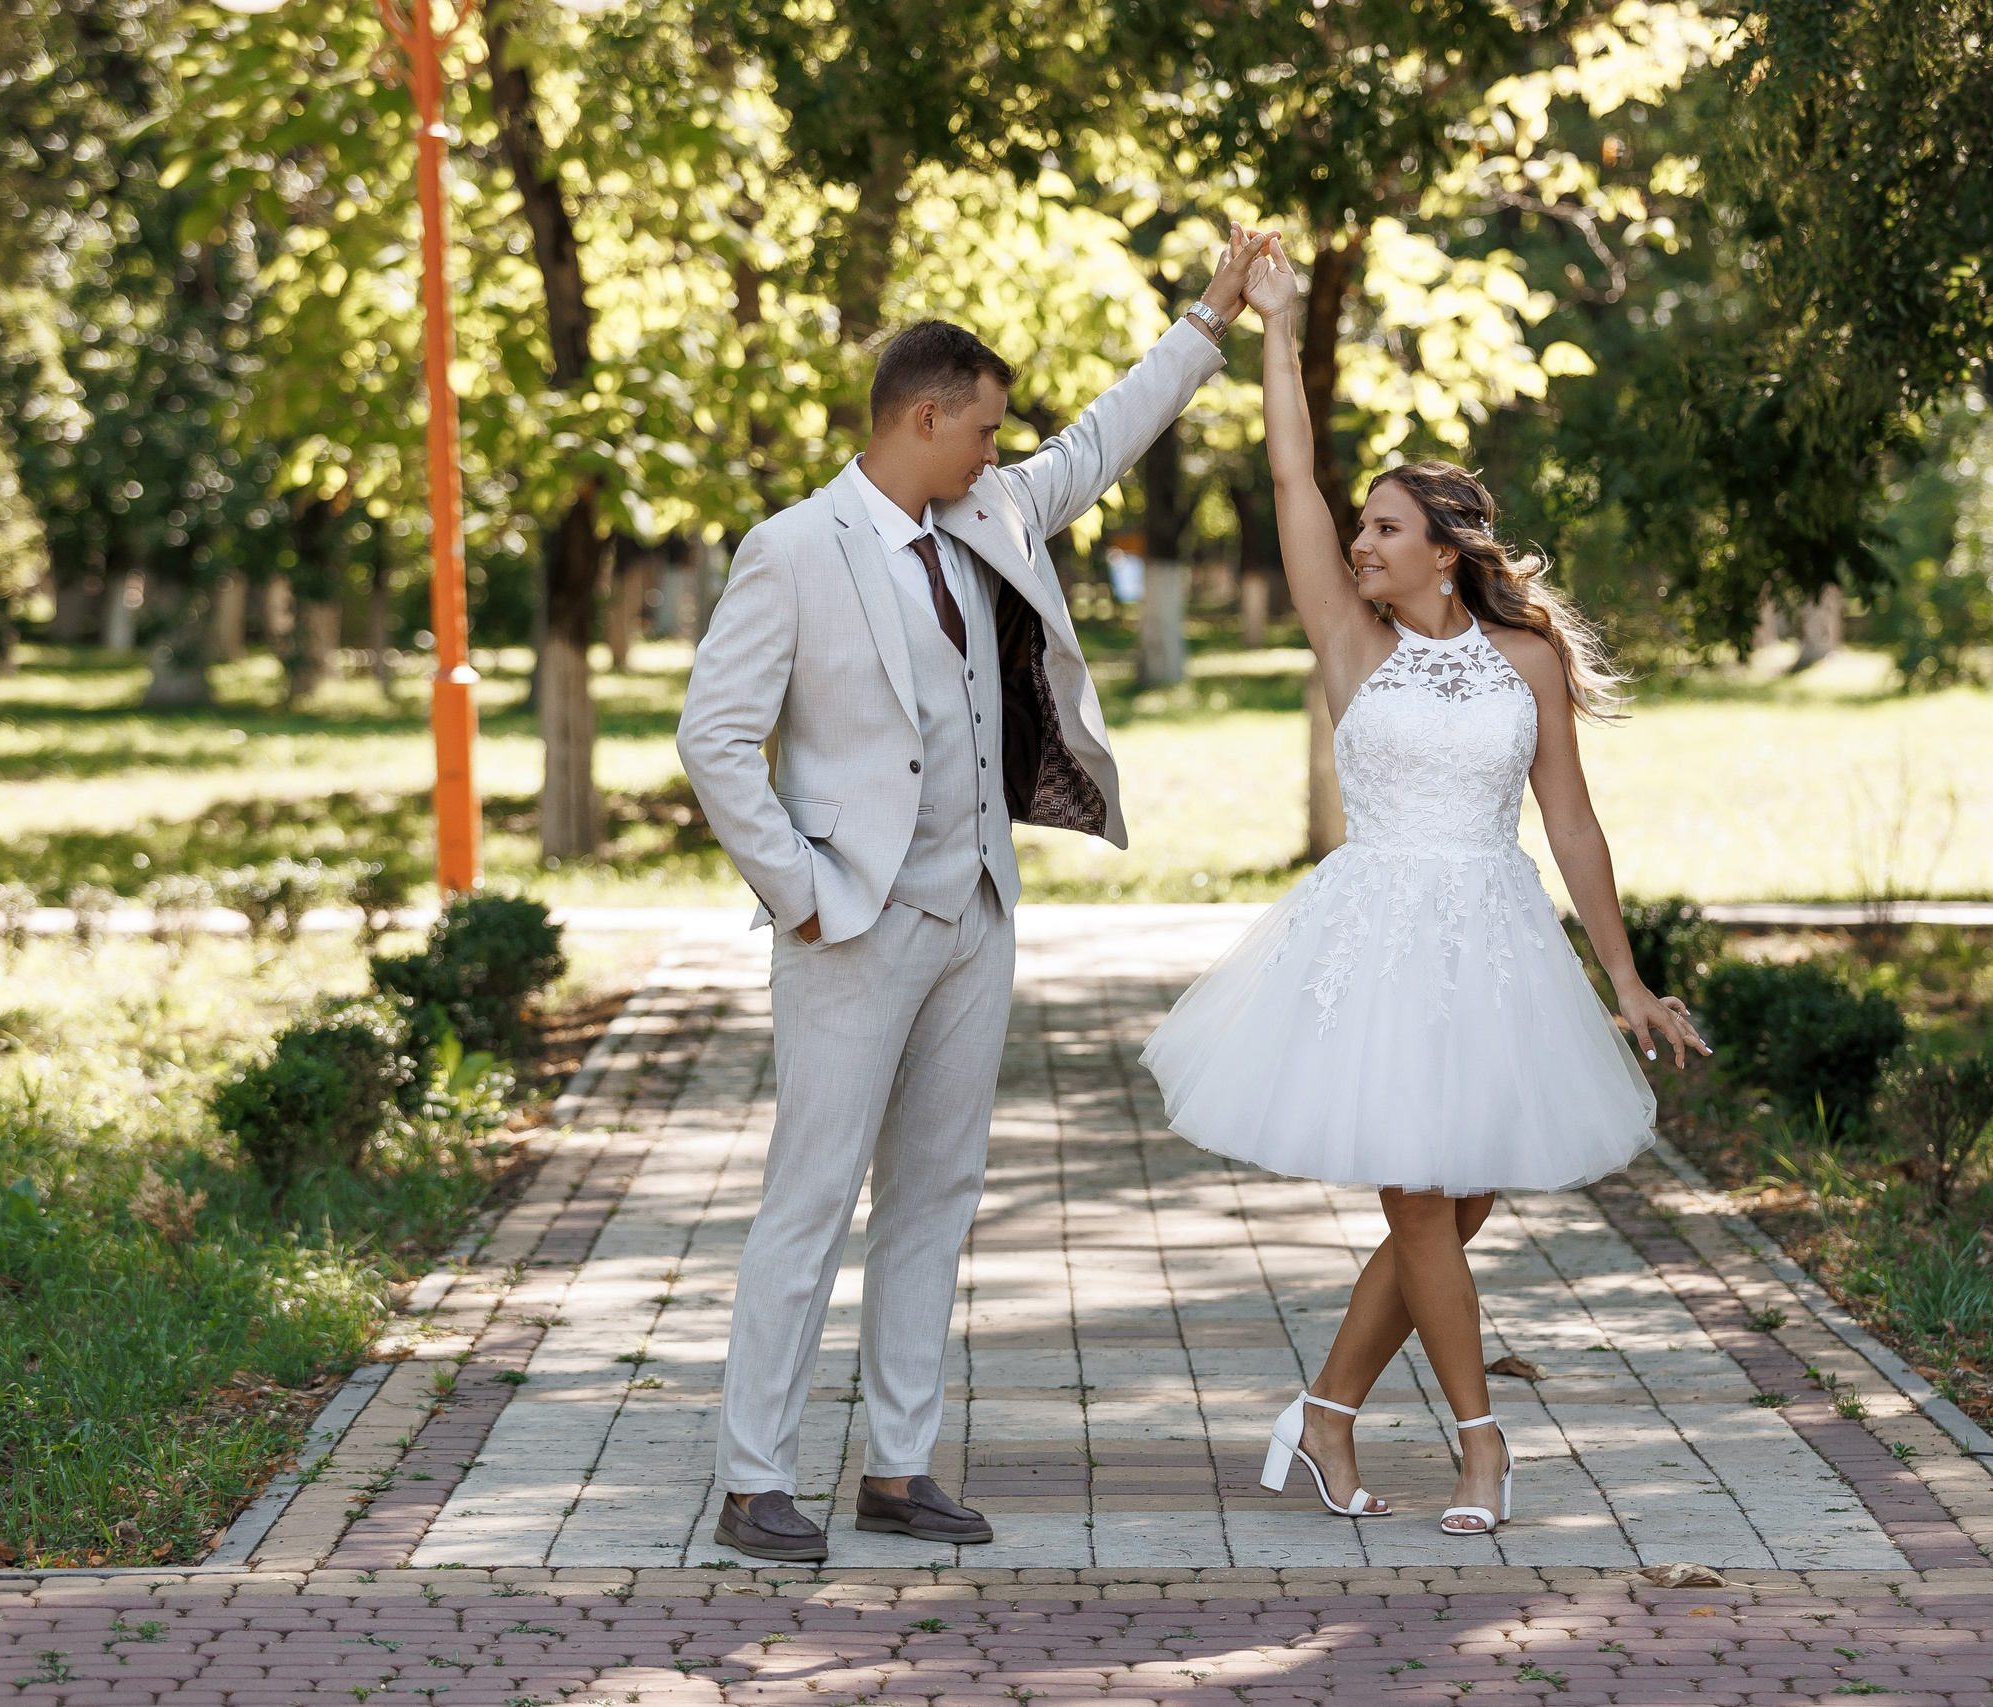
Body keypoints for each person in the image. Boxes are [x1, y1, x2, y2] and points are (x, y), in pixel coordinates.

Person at [678, 227, 1278, 1564]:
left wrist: (1210, 320)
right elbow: (710, 739)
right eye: (983, 428)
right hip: (852, 920)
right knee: (812, 1196)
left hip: (976, 913)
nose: (1001, 449)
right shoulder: (794, 549)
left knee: (937, 1196)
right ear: (923, 416)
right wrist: (804, 893)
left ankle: (898, 1470)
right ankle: (753, 1480)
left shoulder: (991, 511)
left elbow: (1103, 442)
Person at [1140, 244, 1708, 1537]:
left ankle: (1327, 1412)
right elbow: (1293, 474)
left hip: (1495, 949)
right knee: (1418, 1198)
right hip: (1378, 944)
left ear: (1445, 551)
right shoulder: (1352, 642)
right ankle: (1483, 1447)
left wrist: (1623, 979)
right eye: (1364, 528)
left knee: (1454, 1208)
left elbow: (1569, 816)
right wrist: (1277, 329)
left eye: (1386, 528)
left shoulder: (1526, 662)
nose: (1362, 542)